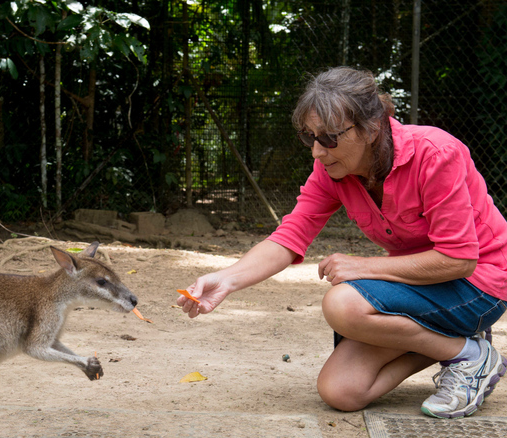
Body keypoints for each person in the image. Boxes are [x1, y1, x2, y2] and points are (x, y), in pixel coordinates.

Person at [177, 66, 507, 419]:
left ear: (371, 127)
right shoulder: (333, 170)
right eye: (309, 137)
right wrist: (226, 279)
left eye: (329, 138)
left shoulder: (436, 153)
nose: (317, 151)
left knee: (343, 304)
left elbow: (458, 260)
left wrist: (364, 267)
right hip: (418, 287)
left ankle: (468, 358)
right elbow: (290, 235)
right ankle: (464, 348)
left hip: (479, 286)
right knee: (342, 391)